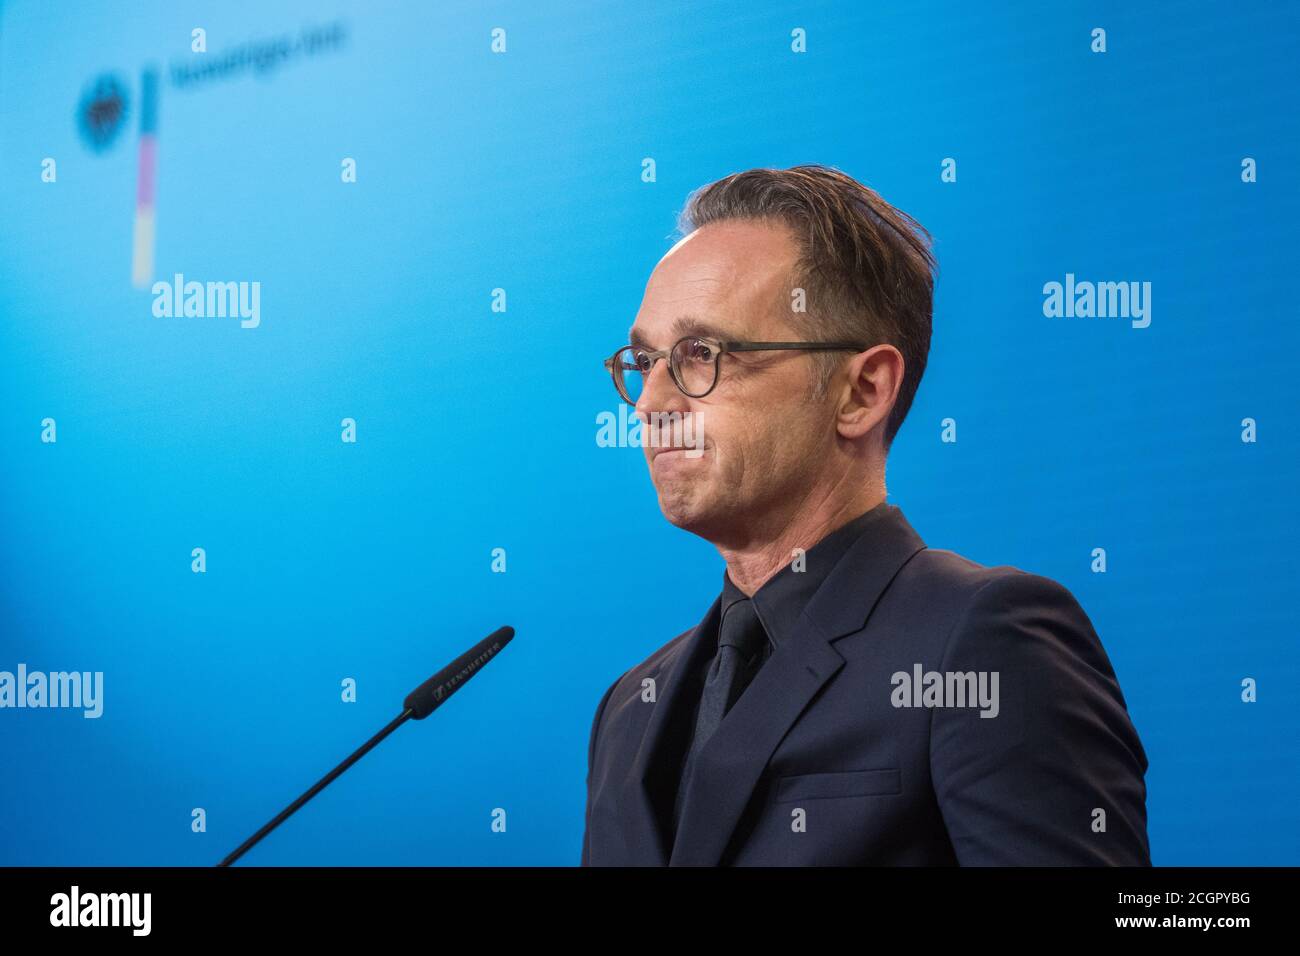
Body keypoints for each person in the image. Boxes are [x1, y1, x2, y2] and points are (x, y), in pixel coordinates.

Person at [581, 164, 1150, 866]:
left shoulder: (985, 642)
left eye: (701, 353)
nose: (652, 404)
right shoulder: (628, 711)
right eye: (645, 360)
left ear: (863, 391)